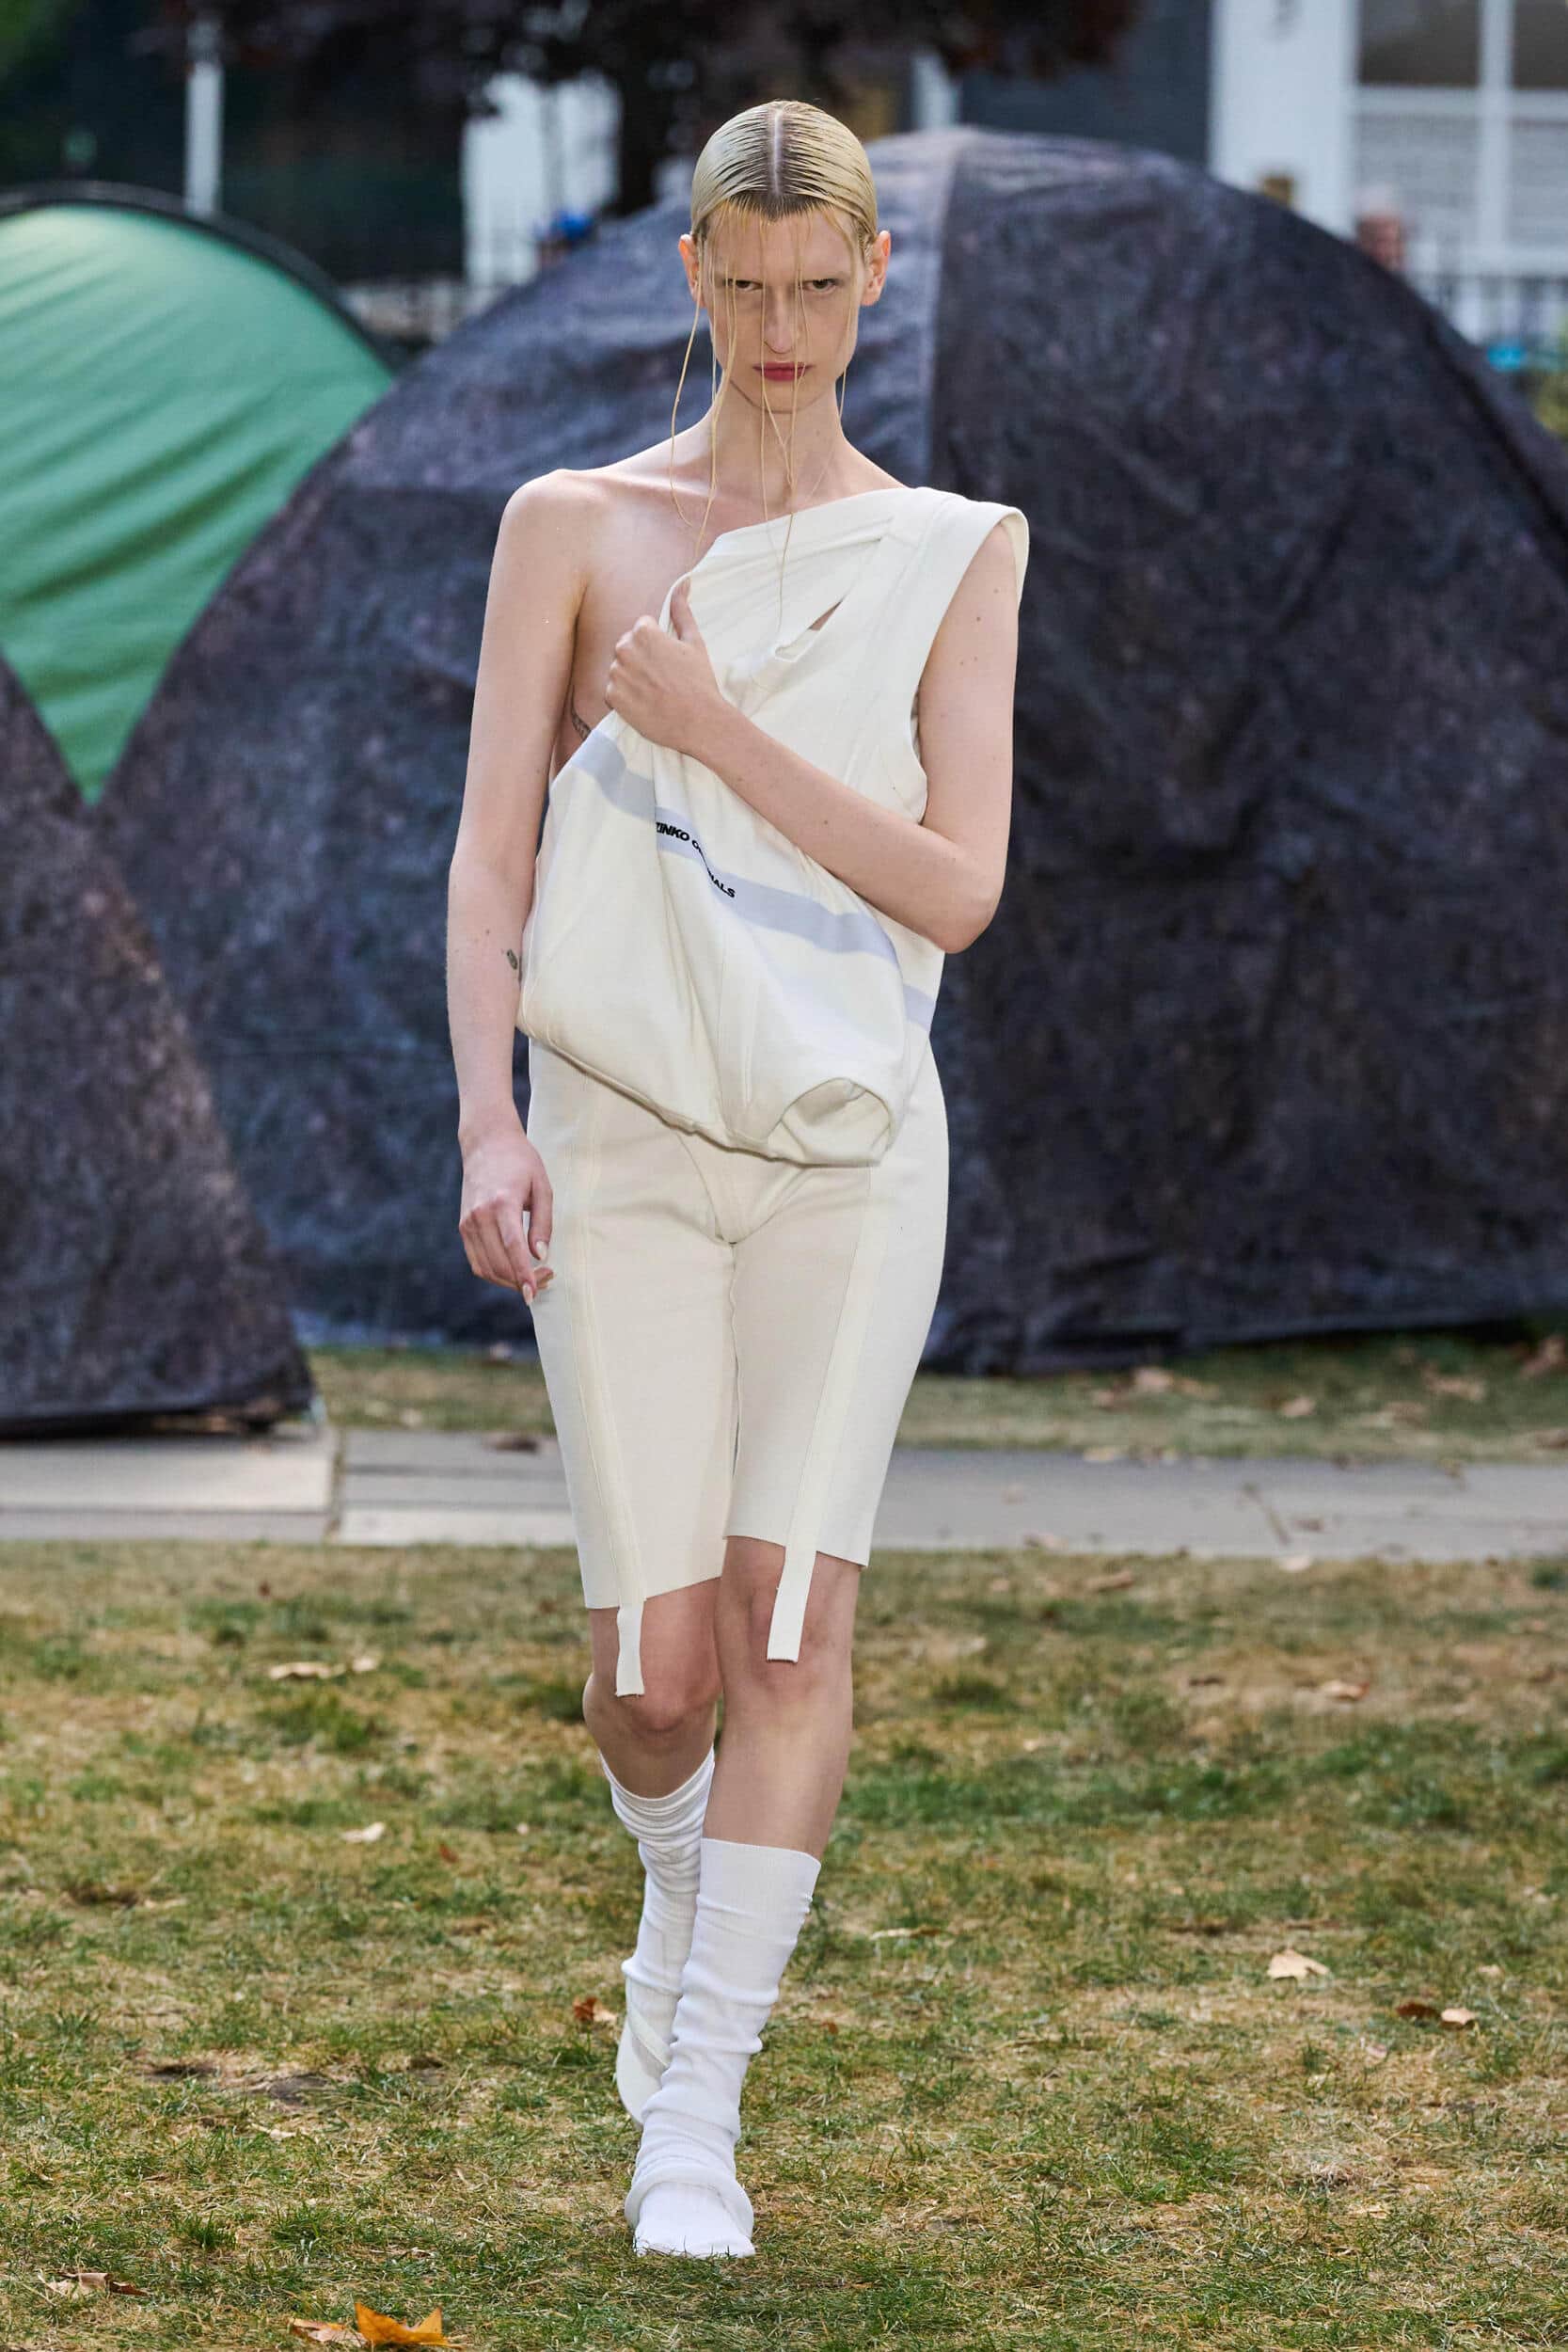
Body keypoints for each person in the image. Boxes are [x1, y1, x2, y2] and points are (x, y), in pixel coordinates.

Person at [446, 97, 1025, 2260]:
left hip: (849, 1146)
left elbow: (956, 886)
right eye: (747, 285)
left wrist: (714, 731)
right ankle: (682, 1879)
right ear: (693, 274)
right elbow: (489, 856)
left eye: (819, 288)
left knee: (791, 1624)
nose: (783, 328)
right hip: (614, 1133)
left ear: (874, 279)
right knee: (652, 1675)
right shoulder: (571, 525)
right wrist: (488, 1117)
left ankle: (696, 2107)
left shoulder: (955, 550)